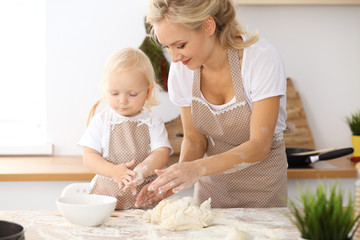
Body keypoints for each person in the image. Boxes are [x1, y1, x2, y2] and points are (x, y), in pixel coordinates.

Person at [135, 0, 293, 208]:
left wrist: (197, 168)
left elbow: (259, 145)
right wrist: (170, 182)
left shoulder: (260, 58)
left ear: (208, 26)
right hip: (211, 191)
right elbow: (194, 141)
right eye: (167, 47)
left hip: (263, 187)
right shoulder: (183, 69)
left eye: (180, 45)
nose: (174, 57)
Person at [78, 47, 172, 210]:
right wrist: (114, 171)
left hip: (145, 199)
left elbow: (162, 153)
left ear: (148, 92)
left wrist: (142, 171)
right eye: (114, 93)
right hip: (106, 200)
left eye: (132, 94)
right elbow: (89, 157)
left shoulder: (153, 122)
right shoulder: (101, 121)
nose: (123, 101)